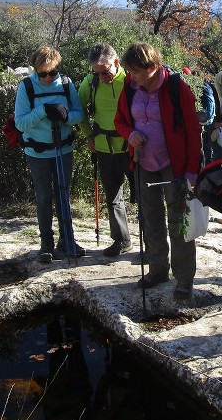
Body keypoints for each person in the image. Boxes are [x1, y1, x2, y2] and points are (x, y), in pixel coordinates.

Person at [114, 42, 201, 300]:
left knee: (179, 223)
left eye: (136, 71)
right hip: (143, 162)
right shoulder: (130, 89)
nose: (132, 76)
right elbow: (120, 121)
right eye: (129, 71)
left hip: (174, 165)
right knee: (151, 220)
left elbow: (193, 130)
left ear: (153, 67)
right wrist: (130, 134)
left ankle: (184, 278)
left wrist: (192, 171)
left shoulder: (176, 87)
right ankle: (157, 270)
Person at [14, 46, 85, 262]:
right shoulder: (26, 87)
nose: (47, 78)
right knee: (44, 196)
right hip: (38, 152)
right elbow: (20, 122)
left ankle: (67, 239)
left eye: (51, 73)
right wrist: (43, 111)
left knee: (63, 193)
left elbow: (79, 114)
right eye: (42, 73)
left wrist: (65, 117)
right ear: (35, 70)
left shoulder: (65, 84)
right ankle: (46, 243)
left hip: (63, 149)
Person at [78, 43, 133, 257]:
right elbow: (79, 110)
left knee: (144, 196)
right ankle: (121, 241)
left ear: (116, 63)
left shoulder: (130, 82)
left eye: (105, 71)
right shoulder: (90, 84)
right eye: (97, 72)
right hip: (104, 147)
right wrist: (89, 135)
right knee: (113, 197)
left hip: (131, 148)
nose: (102, 76)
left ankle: (152, 246)